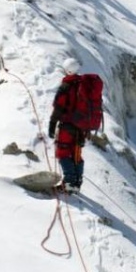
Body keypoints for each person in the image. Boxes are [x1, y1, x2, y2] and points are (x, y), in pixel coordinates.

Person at [48, 58, 88, 194]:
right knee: (76, 153)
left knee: (63, 152)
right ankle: (77, 183)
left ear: (67, 70)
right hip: (81, 127)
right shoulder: (84, 85)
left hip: (67, 126)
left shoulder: (66, 86)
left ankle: (69, 183)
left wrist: (52, 124)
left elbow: (58, 107)